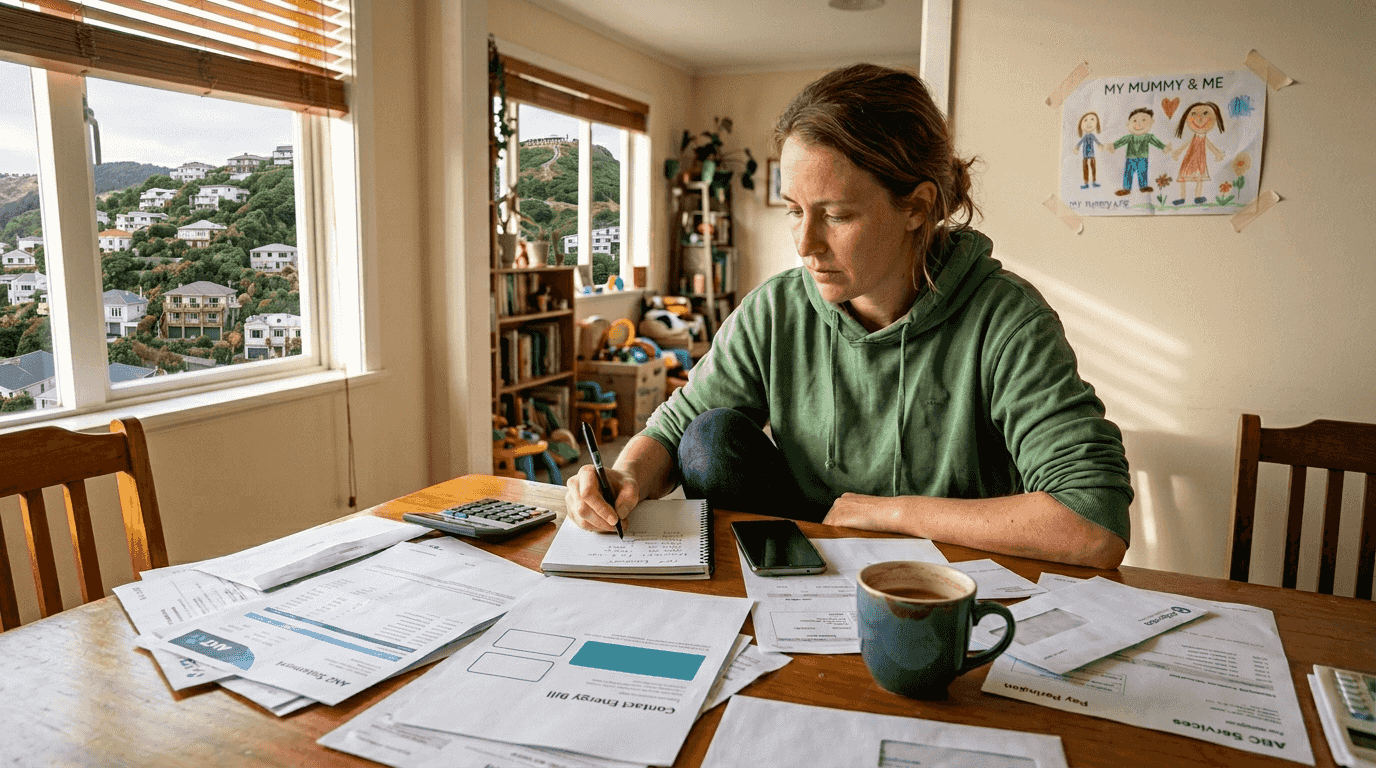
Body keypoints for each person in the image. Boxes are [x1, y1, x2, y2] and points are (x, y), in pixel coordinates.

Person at [564, 63, 1133, 569]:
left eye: (835, 215)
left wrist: (893, 514)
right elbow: (671, 429)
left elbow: (1093, 525)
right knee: (707, 437)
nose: (805, 244)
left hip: (949, 581)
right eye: (793, 211)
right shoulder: (777, 309)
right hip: (812, 561)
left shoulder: (1006, 320)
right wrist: (625, 477)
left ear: (917, 207)